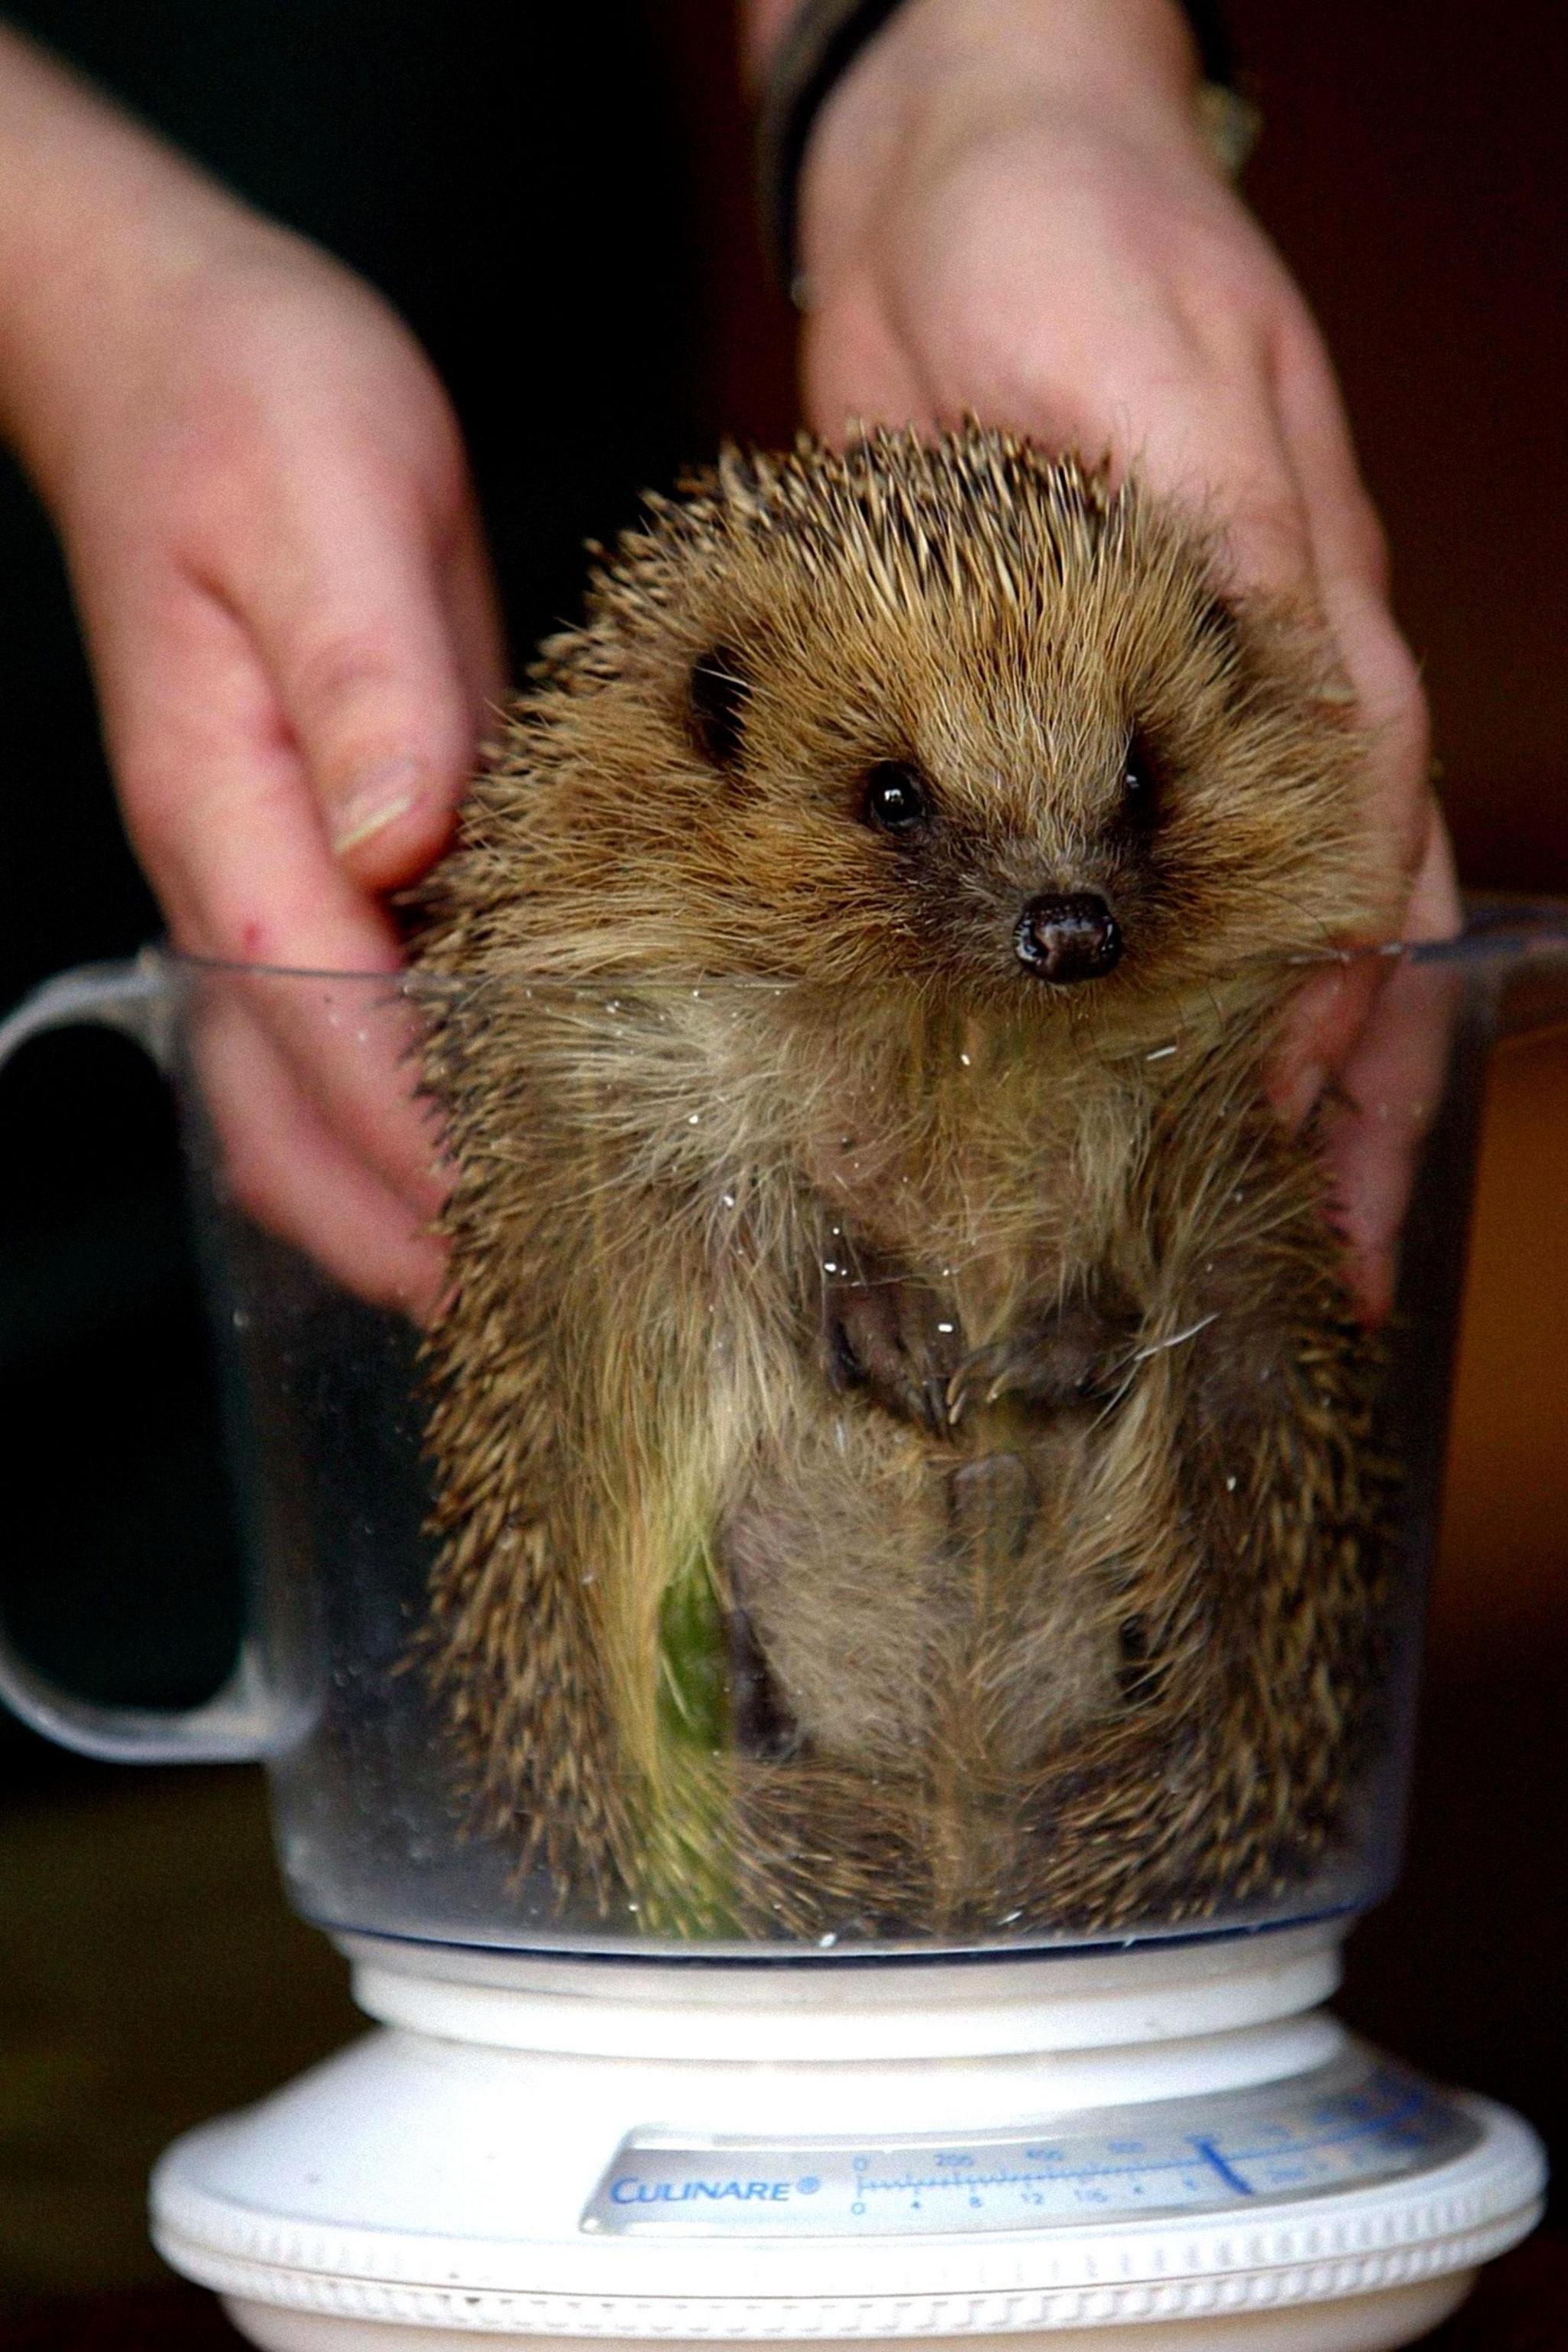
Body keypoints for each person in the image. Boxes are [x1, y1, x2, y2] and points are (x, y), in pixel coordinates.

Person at [0, 0, 1454, 1319]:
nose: (1067, 917)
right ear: (725, 733)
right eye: (898, 809)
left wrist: (970, 55)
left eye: (1131, 787)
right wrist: (80, 299)